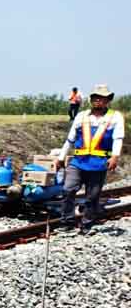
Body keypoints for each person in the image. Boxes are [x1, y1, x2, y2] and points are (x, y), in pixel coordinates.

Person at [56, 84, 124, 234]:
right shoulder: (81, 116)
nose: (98, 100)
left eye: (101, 98)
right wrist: (61, 158)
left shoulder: (115, 117)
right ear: (91, 99)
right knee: (68, 189)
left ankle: (86, 224)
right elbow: (70, 139)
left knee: (92, 197)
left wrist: (115, 156)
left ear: (108, 100)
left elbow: (118, 138)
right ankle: (67, 221)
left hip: (99, 164)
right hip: (78, 161)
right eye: (95, 97)